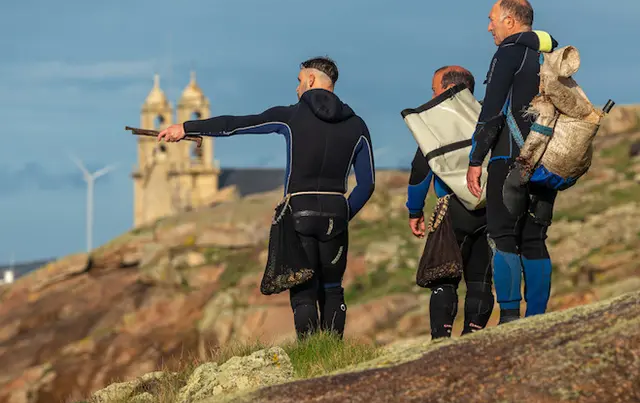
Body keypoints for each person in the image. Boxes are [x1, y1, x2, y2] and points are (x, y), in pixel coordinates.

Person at [157, 56, 375, 340]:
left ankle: (312, 354)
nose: (296, 89)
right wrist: (344, 213)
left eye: (298, 82)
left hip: (300, 211)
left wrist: (187, 128)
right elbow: (367, 184)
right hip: (336, 211)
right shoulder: (357, 125)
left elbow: (237, 124)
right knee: (332, 288)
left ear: (310, 80)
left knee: (303, 288)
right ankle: (332, 351)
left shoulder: (292, 116)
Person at [465, 0, 558, 324]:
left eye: (492, 19)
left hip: (509, 158)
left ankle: (509, 320)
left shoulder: (508, 53)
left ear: (510, 21)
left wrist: (476, 158)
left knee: (503, 235)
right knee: (535, 238)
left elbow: (492, 113)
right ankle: (538, 319)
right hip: (547, 161)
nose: (488, 26)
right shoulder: (550, 55)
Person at [408, 66, 495, 339]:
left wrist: (415, 210)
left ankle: (441, 340)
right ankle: (473, 337)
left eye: (435, 89)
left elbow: (421, 171)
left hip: (452, 210)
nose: (432, 95)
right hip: (489, 208)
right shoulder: (488, 115)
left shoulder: (437, 123)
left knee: (443, 278)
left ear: (448, 90)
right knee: (480, 280)